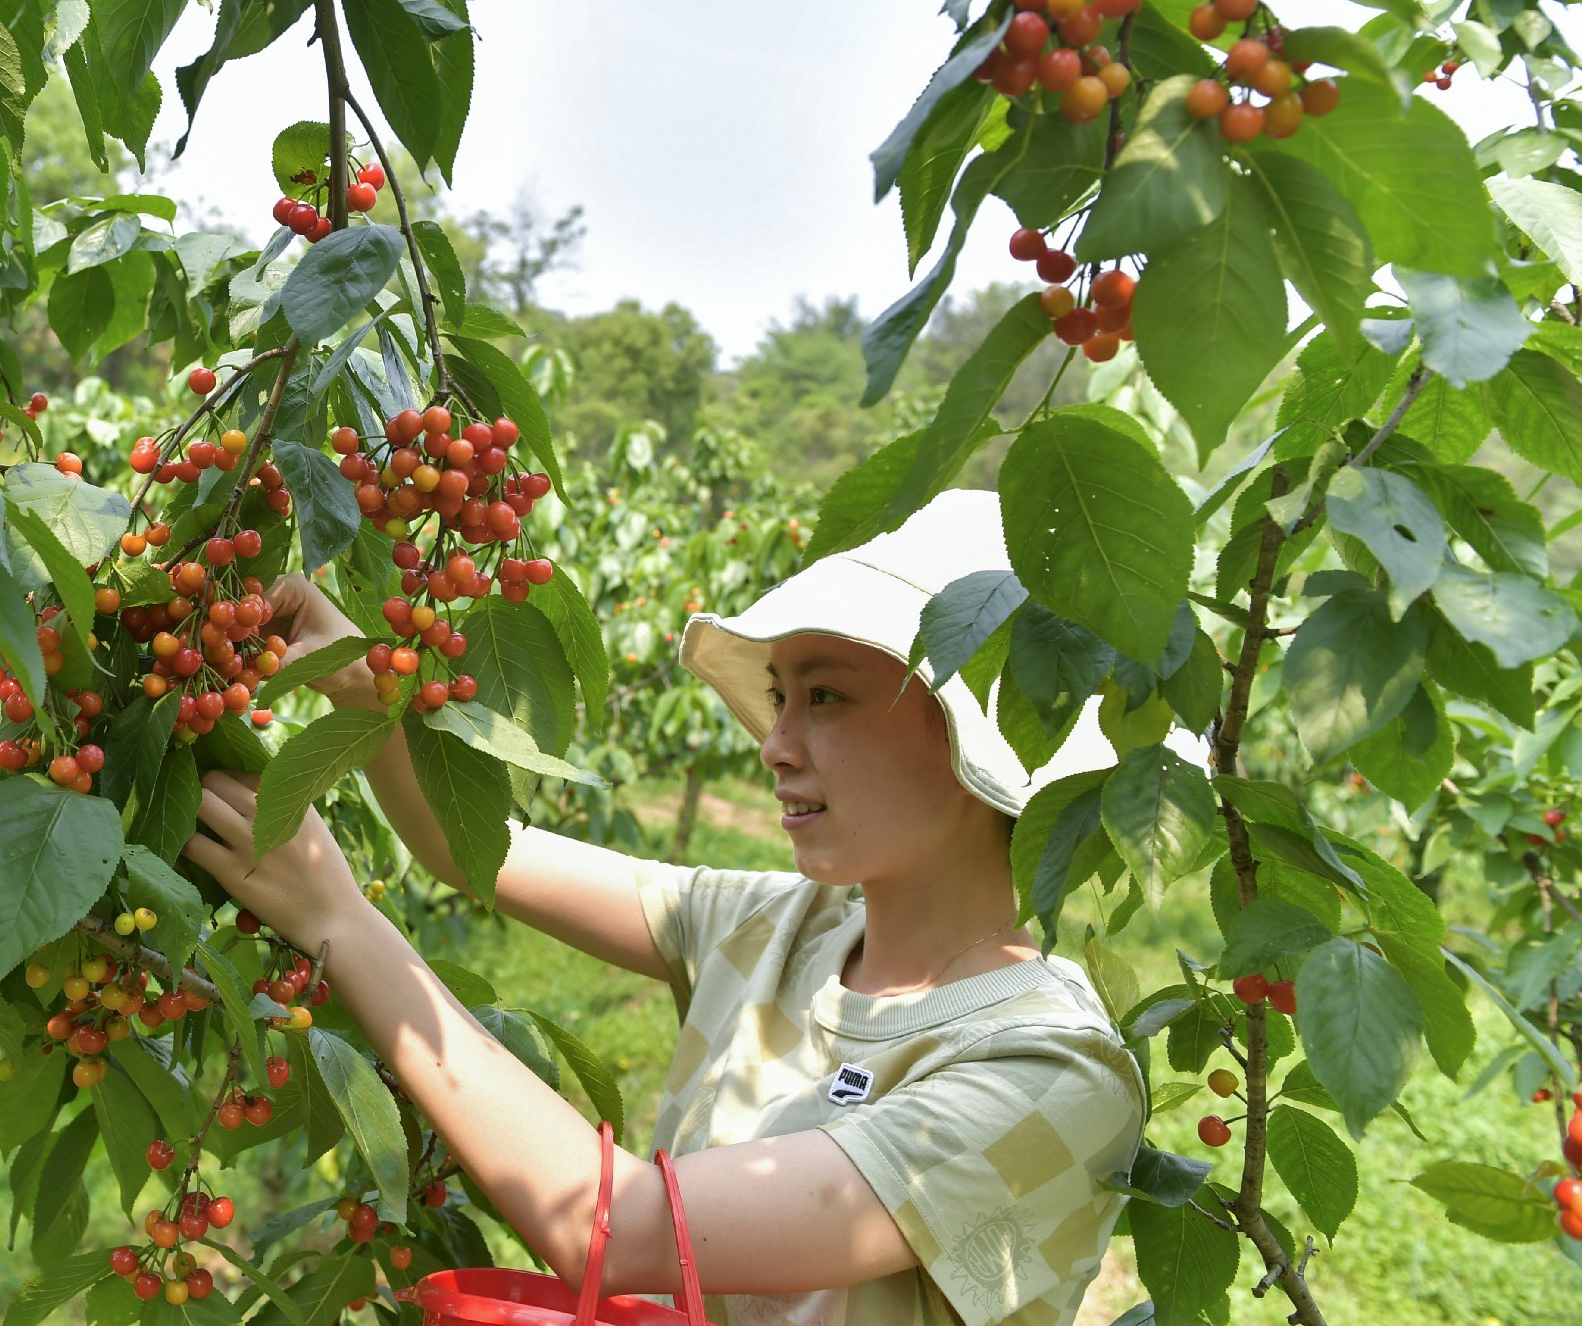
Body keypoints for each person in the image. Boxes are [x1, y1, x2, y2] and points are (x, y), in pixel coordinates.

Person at [183, 489, 1148, 1326]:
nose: (776, 743)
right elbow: (480, 854)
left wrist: (344, 927)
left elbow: (625, 1231)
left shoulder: (1048, 1069)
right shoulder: (781, 927)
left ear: (979, 739)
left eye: (828, 697)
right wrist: (368, 694)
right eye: (781, 696)